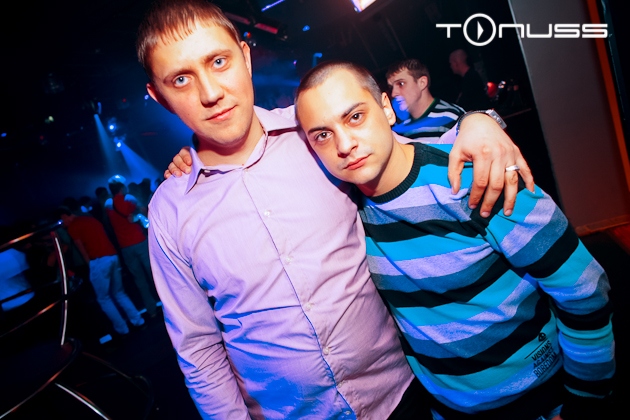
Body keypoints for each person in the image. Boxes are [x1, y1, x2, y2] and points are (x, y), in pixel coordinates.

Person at [141, 0, 533, 418]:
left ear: (245, 56)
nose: (210, 93)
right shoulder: (171, 211)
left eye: (218, 61)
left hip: (403, 394)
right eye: (181, 79)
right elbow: (199, 348)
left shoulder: (316, 132)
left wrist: (478, 121)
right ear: (159, 97)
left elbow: (408, 155)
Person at [294, 60, 615, 420]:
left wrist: (585, 401)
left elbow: (585, 290)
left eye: (355, 117)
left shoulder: (472, 180)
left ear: (386, 108)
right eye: (322, 135)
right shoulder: (347, 211)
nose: (345, 144)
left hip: (539, 398)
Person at [56, 207, 145, 336]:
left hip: (98, 261)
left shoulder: (73, 227)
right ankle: (138, 321)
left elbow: (81, 248)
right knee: (119, 293)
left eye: (61, 221)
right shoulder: (91, 220)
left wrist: (90, 264)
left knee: (103, 298)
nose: (61, 224)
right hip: (112, 256)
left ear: (64, 216)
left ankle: (122, 329)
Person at [105, 175, 158, 318]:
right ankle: (167, 304)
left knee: (139, 280)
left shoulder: (108, 205)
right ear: (122, 187)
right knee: (154, 274)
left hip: (125, 247)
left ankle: (151, 310)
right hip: (139, 241)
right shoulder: (130, 200)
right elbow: (143, 212)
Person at [386, 59, 465, 143]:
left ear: (422, 83)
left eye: (401, 84)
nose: (393, 93)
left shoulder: (453, 117)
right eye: (391, 87)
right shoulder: (400, 127)